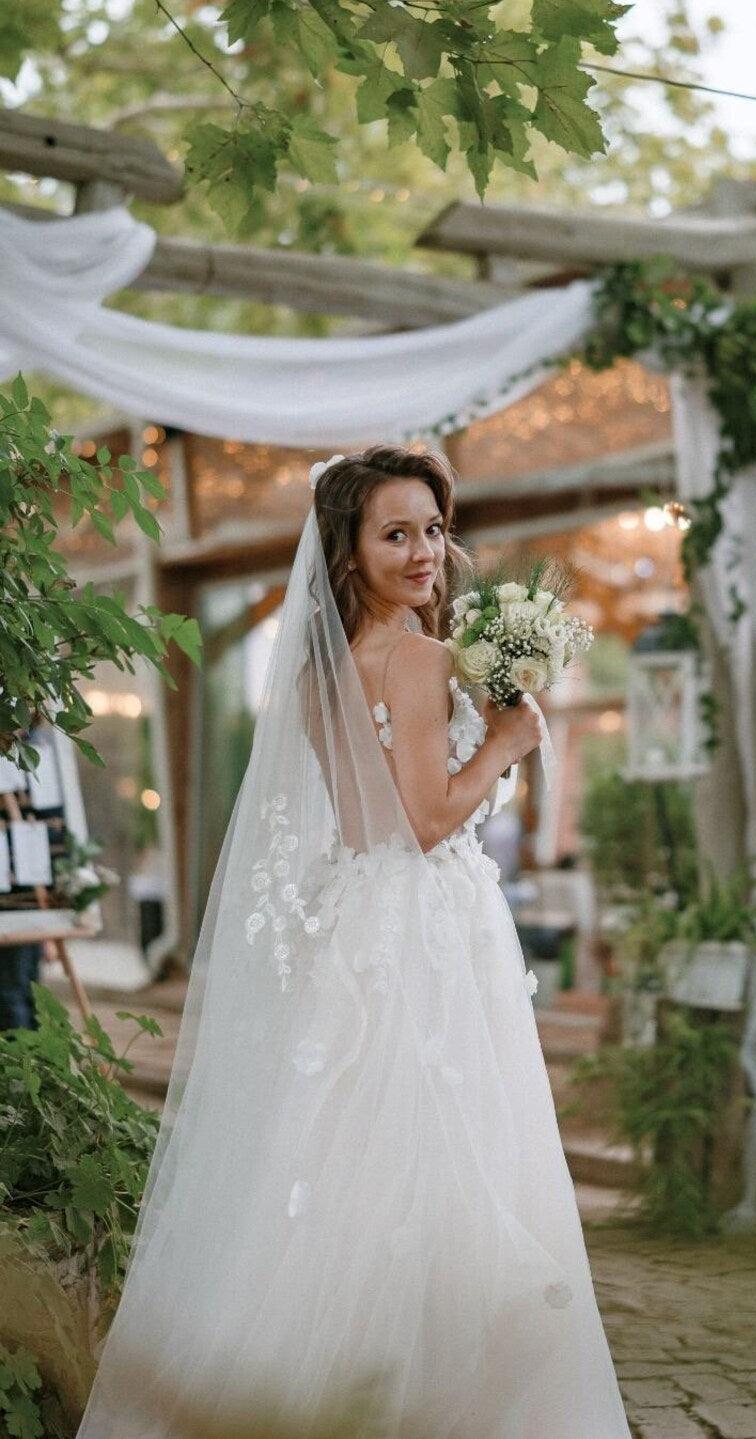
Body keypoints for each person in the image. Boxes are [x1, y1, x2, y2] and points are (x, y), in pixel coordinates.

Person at [76, 444, 631, 1439]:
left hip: (356, 926)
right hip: (421, 932)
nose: (425, 551)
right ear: (348, 552)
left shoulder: (318, 672)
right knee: (442, 1156)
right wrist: (508, 741)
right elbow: (421, 820)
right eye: (396, 533)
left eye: (432, 528)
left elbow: (364, 819)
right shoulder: (416, 659)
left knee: (338, 1169)